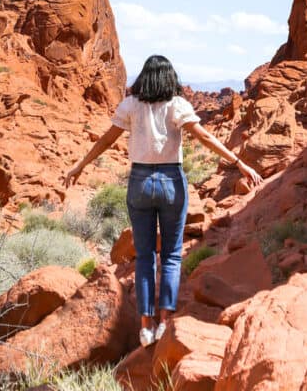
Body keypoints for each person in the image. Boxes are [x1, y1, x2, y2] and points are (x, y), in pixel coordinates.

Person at [64, 54, 262, 346]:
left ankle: (146, 327)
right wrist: (239, 162)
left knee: (144, 257)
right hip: (171, 181)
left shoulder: (131, 105)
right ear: (170, 78)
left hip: (141, 182)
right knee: (170, 255)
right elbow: (205, 137)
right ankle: (165, 323)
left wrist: (80, 165)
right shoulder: (177, 105)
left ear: (144, 77)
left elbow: (107, 140)